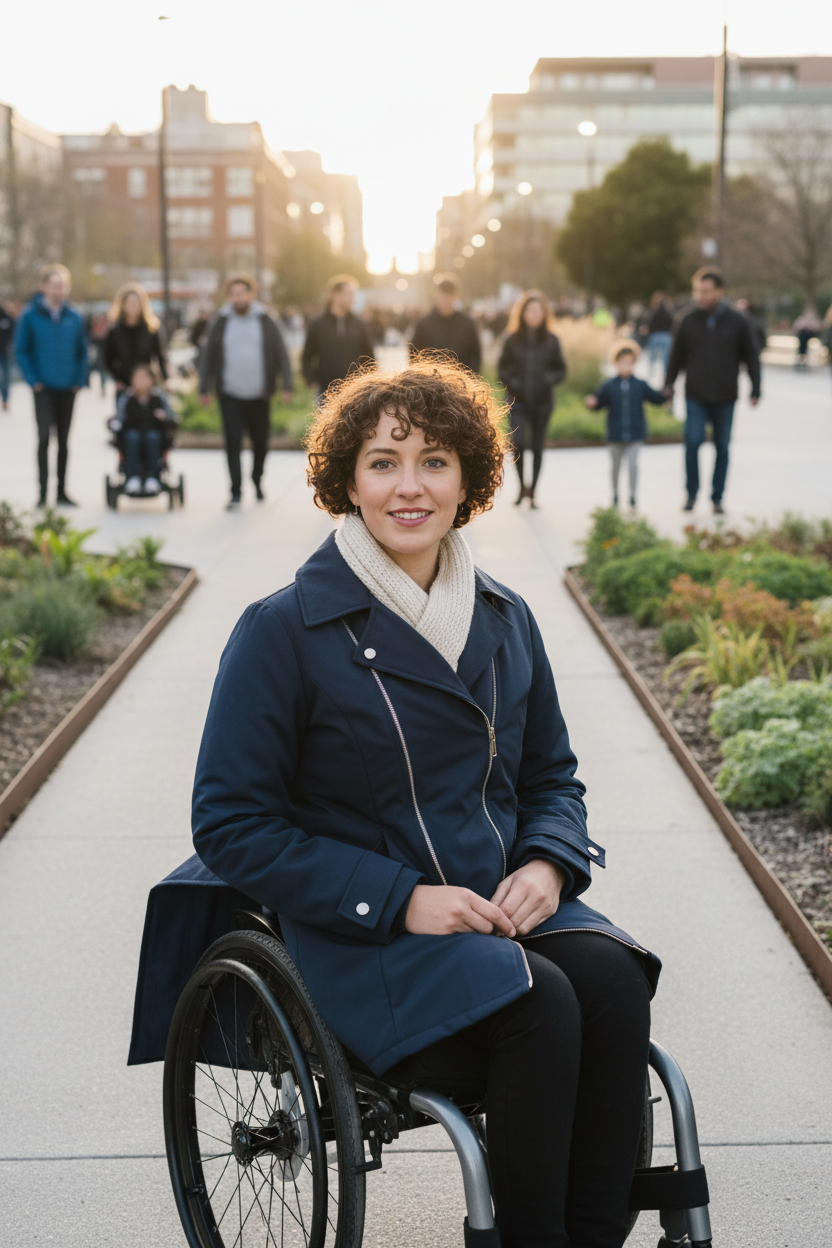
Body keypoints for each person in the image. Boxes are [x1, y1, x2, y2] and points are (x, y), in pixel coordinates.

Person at [190, 358, 660, 1248]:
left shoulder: (504, 615)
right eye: (383, 463)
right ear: (348, 482)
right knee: (542, 1003)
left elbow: (553, 777)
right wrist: (399, 897)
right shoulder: (282, 630)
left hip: (498, 905)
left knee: (613, 978)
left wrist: (549, 863)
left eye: (436, 461)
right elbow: (229, 825)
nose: (411, 487)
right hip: (367, 935)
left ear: (468, 479)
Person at [664, 266, 761, 515]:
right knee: (693, 442)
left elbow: (751, 355)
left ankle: (717, 497)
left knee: (722, 446)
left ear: (720, 291)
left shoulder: (738, 320)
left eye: (705, 291)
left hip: (725, 395)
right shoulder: (686, 320)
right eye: (697, 290)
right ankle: (691, 493)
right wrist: (669, 386)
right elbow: (675, 357)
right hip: (695, 394)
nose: (700, 296)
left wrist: (756, 388)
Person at [199, 274, 293, 511]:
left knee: (261, 443)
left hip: (259, 395)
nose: (238, 298)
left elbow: (282, 352)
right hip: (230, 394)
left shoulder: (265, 320)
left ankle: (257, 480)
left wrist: (287, 384)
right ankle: (235, 492)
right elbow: (208, 354)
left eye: (243, 293)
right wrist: (204, 387)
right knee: (232, 443)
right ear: (229, 296)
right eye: (234, 294)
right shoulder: (220, 321)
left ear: (252, 294)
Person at [14, 264, 87, 507]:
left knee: (64, 441)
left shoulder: (74, 316)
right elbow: (21, 350)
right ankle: (43, 493)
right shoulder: (30, 315)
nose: (59, 290)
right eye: (55, 284)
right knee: (44, 438)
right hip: (43, 389)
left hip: (68, 388)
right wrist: (33, 380)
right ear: (43, 286)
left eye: (63, 285)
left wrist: (79, 380)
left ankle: (62, 491)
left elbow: (82, 351)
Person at [498, 289, 566, 508]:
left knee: (537, 446)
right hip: (518, 400)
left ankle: (533, 491)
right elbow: (502, 368)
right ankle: (521, 488)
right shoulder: (512, 339)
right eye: (530, 310)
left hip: (543, 401)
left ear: (544, 314)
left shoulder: (552, 340)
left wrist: (548, 379)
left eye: (538, 310)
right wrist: (513, 382)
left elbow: (561, 369)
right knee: (517, 444)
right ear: (522, 313)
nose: (534, 314)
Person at [586, 341, 666, 511]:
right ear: (616, 363)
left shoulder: (640, 385)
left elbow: (656, 398)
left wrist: (666, 395)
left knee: (632, 465)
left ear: (634, 363)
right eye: (622, 362)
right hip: (615, 434)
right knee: (615, 467)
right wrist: (592, 403)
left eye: (629, 362)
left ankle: (632, 497)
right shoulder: (609, 385)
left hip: (635, 434)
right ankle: (615, 494)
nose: (625, 366)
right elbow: (598, 402)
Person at [301, 274, 375, 399]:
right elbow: (307, 356)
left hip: (355, 391)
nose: (352, 299)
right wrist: (312, 381)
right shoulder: (318, 324)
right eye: (349, 295)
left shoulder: (359, 324)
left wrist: (370, 382)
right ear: (334, 295)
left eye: (353, 295)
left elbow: (369, 356)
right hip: (326, 391)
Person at [110, 362, 177, 495]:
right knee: (132, 437)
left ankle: (153, 477)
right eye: (138, 378)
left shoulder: (158, 398)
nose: (141, 382)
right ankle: (132, 477)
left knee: (152, 437)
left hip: (153, 434)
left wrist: (164, 418)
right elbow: (119, 419)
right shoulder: (127, 399)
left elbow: (172, 417)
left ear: (152, 380)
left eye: (145, 378)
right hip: (132, 434)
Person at [103, 282, 168, 394]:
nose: (134, 307)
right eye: (130, 303)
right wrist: (116, 379)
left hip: (147, 385)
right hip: (123, 385)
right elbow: (107, 359)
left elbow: (160, 356)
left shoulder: (151, 329)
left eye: (137, 303)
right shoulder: (114, 331)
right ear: (123, 305)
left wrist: (166, 379)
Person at [409, 273, 482, 373]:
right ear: (436, 295)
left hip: (461, 383)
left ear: (456, 296)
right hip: (430, 383)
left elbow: (475, 356)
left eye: (450, 295)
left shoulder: (467, 324)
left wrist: (469, 379)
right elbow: (414, 356)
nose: (446, 300)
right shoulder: (423, 324)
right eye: (443, 295)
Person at [642, 290, 673, 378]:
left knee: (653, 357)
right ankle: (664, 374)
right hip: (664, 335)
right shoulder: (668, 311)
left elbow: (648, 322)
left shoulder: (653, 311)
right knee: (665, 358)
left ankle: (652, 374)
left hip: (656, 335)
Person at [0, 300, 16, 411]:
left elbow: (15, 334)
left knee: (5, 377)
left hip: (5, 353)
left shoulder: (9, 320)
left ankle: (5, 399)